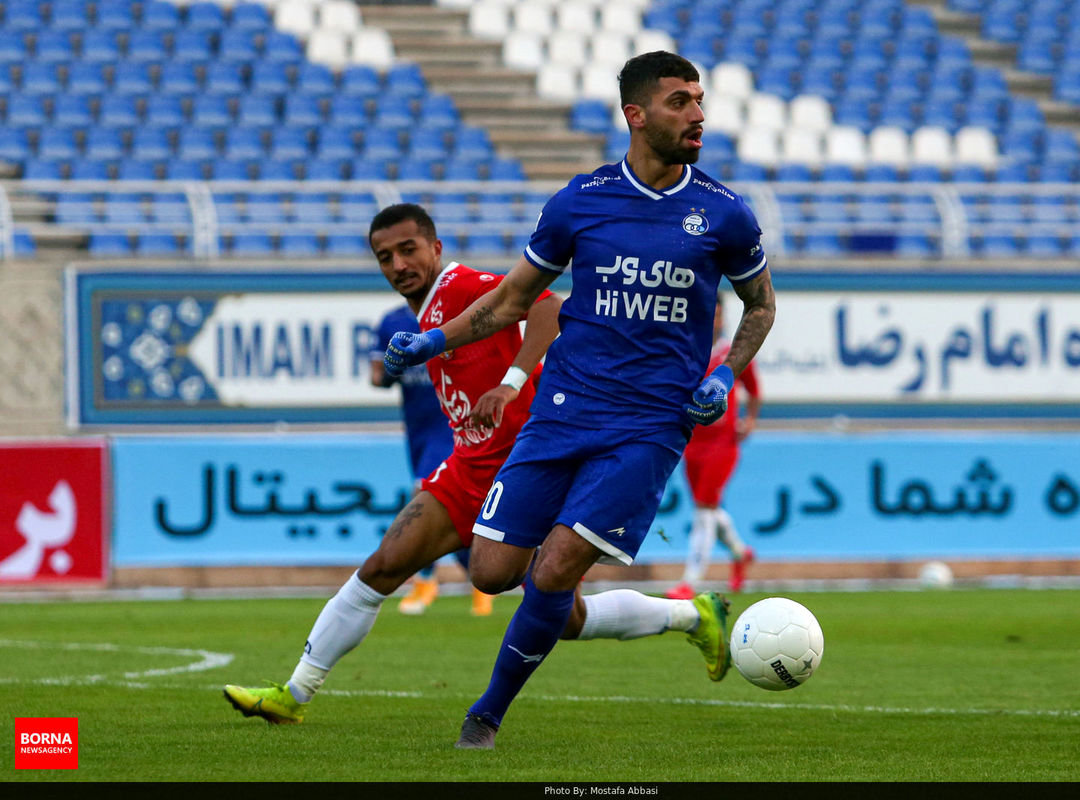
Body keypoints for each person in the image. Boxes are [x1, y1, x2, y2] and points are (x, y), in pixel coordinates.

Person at [384, 51, 777, 749]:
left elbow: (760, 307)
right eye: (680, 102)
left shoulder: (725, 214)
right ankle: (683, 617)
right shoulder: (580, 200)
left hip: (650, 426)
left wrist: (722, 376)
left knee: (559, 567)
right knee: (493, 570)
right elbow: (511, 300)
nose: (698, 114)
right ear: (636, 114)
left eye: (699, 100)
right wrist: (434, 342)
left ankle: (486, 714)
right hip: (561, 412)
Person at [223, 203, 735, 725]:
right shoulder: (417, 316)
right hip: (469, 468)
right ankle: (294, 694)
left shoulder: (461, 286)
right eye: (385, 257)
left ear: (436, 248)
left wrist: (511, 382)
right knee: (383, 568)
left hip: (527, 465)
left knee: (562, 613)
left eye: (408, 249)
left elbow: (547, 308)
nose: (398, 264)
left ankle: (689, 615)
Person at [370, 305, 492, 617]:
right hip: (418, 431)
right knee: (453, 511)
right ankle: (479, 581)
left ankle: (425, 581)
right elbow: (377, 378)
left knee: (423, 497)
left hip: (452, 425)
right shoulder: (392, 322)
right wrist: (393, 365)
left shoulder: (458, 312)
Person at [667, 294, 761, 600]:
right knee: (706, 509)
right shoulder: (686, 351)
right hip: (693, 442)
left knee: (705, 509)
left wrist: (750, 420)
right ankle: (740, 552)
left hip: (723, 443)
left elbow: (754, 389)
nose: (714, 321)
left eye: (718, 315)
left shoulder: (732, 353)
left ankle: (689, 582)